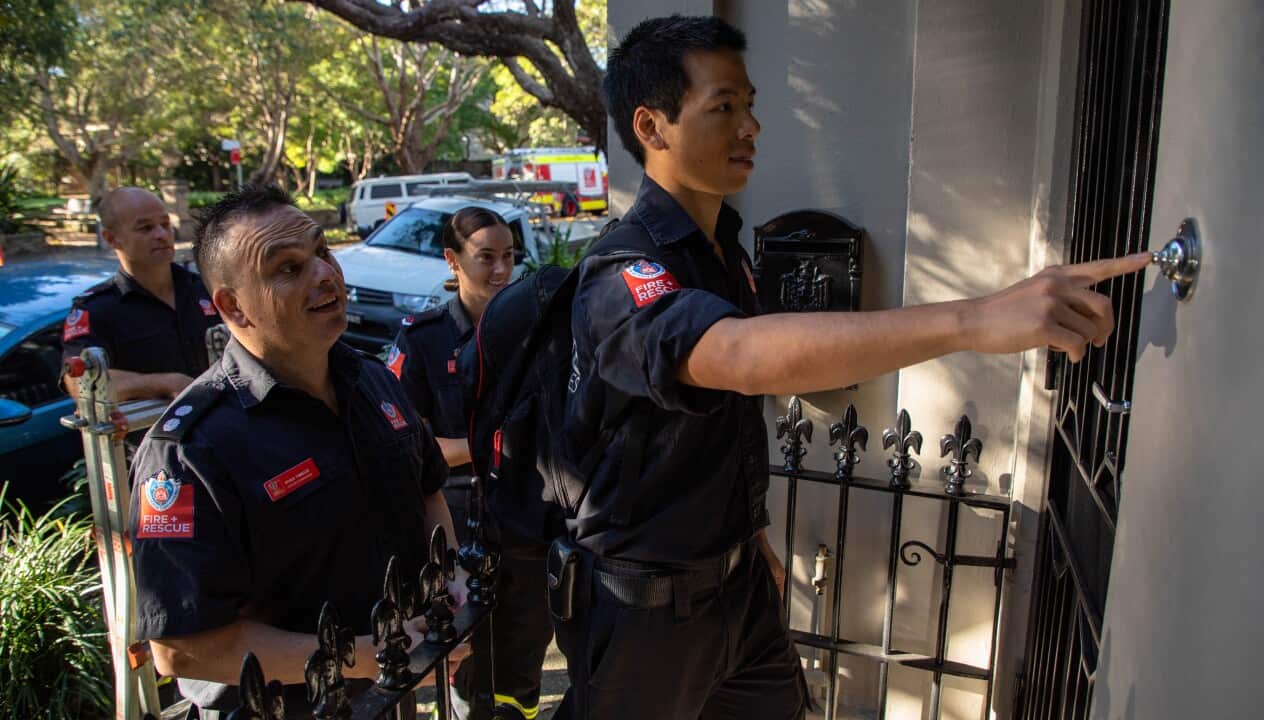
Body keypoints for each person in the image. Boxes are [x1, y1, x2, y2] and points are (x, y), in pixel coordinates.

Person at [552, 15, 1151, 720]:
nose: (751, 127)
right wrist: (973, 319)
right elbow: (738, 360)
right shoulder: (622, 271)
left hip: (740, 596)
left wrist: (753, 541)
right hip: (644, 617)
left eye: (750, 105)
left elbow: (713, 433)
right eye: (723, 107)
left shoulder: (723, 251)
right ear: (652, 128)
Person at [128, 186, 467, 719]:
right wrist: (363, 652)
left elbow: (426, 493)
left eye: (322, 251)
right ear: (232, 306)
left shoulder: (373, 380)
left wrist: (453, 582)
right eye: (287, 269)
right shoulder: (189, 451)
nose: (324, 275)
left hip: (385, 693)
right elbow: (180, 648)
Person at [389, 207, 554, 720]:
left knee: (522, 648)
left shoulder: (535, 332)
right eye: (486, 258)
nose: (501, 270)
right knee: (461, 651)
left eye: (508, 256)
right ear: (453, 260)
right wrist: (489, 446)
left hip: (528, 517)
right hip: (456, 522)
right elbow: (404, 446)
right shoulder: (422, 339)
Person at [62, 187, 222, 401]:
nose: (162, 235)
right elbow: (80, 382)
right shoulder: (96, 309)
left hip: (226, 426)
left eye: (165, 225)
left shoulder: (206, 287)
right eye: (146, 228)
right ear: (111, 239)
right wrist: (165, 383)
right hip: (152, 432)